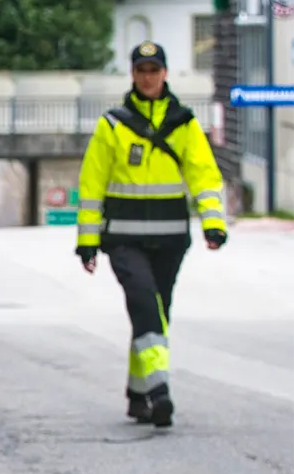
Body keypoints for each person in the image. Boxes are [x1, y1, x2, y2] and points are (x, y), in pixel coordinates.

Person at [75, 41, 227, 428]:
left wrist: (213, 223)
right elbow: (92, 185)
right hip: (123, 240)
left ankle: (138, 394)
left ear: (164, 73)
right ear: (133, 75)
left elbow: (204, 177)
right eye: (141, 70)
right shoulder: (112, 125)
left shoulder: (184, 123)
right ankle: (159, 391)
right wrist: (87, 240)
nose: (147, 77)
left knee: (156, 314)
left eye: (153, 70)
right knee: (145, 307)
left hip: (170, 237)